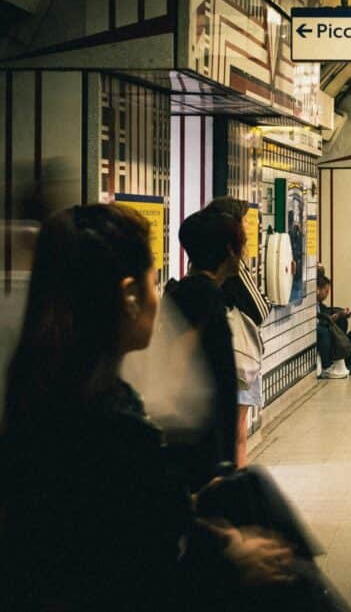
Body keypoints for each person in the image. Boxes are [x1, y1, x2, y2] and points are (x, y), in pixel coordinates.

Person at [0, 204, 311, 611]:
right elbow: (138, 564)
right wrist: (231, 554)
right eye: (151, 281)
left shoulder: (43, 397)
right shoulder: (116, 430)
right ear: (129, 296)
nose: (156, 296)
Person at [164, 208, 245, 489]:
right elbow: (212, 378)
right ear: (229, 252)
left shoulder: (186, 292)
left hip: (191, 445)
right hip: (200, 450)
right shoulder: (205, 298)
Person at [204, 197, 270, 469]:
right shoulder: (232, 263)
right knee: (238, 433)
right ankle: (237, 487)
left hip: (211, 357)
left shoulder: (199, 261)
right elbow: (260, 308)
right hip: (237, 356)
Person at [316, 273, 351, 379]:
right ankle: (326, 365)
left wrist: (340, 314)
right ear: (318, 289)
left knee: (341, 321)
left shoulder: (318, 304)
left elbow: (324, 311)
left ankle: (337, 356)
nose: (327, 294)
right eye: (326, 291)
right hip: (315, 326)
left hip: (320, 321)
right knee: (325, 332)